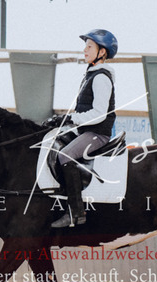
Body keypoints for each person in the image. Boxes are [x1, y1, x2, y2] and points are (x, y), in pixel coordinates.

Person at [43, 29, 118, 228]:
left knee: (65, 156)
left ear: (102, 52)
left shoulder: (101, 78)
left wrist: (71, 118)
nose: (85, 50)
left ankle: (75, 212)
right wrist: (62, 121)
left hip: (97, 134)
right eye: (85, 46)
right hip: (85, 131)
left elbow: (99, 114)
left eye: (89, 46)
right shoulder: (91, 75)